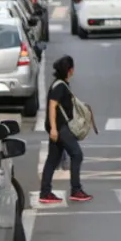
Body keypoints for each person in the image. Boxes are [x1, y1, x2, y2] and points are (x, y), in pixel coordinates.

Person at [38, 56, 91, 204]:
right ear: (70, 70)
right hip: (61, 128)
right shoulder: (60, 86)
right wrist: (54, 129)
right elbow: (52, 106)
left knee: (52, 159)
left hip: (58, 128)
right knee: (77, 154)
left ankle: (45, 192)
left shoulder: (60, 85)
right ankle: (76, 190)